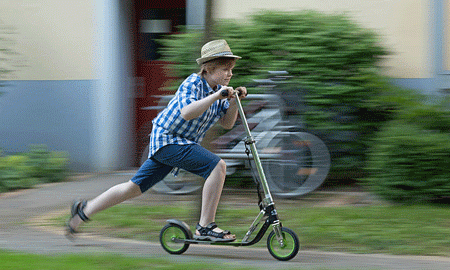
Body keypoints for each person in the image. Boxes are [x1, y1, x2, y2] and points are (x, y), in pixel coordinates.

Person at [66, 39, 247, 242]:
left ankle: (82, 211)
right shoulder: (193, 83)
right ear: (209, 68)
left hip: (179, 144)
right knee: (218, 166)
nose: (230, 74)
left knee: (132, 188)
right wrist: (217, 97)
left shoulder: (219, 91)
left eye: (231, 69)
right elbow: (187, 112)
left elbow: (227, 124)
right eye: (225, 69)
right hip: (168, 140)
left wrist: (233, 102)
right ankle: (205, 226)